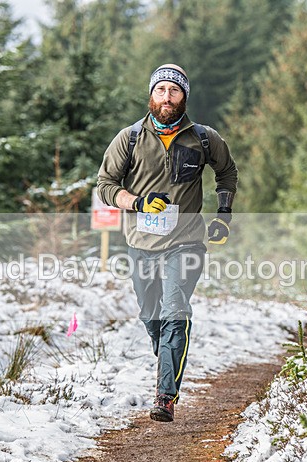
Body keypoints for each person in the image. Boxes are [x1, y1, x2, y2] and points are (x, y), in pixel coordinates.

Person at [96, 64, 238, 422]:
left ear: (184, 96)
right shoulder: (128, 139)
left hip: (185, 243)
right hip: (141, 243)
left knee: (175, 310)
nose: (167, 97)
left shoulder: (204, 138)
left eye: (174, 91)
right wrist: (137, 202)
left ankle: (165, 395)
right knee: (151, 314)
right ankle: (168, 360)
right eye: (161, 90)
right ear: (151, 95)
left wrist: (223, 213)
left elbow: (227, 171)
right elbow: (105, 185)